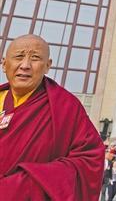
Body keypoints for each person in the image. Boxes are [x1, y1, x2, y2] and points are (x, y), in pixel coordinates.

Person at [0, 34, 103, 199]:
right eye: (19, 57)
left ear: (48, 66)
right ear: (4, 64)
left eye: (35, 58)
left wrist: (22, 186)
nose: (25, 65)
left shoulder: (65, 106)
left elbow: (89, 159)